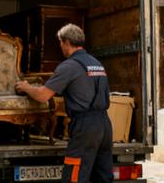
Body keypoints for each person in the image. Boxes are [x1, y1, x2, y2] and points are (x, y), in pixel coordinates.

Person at [15, 24, 113, 183]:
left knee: (74, 177)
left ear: (67, 42)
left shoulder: (69, 66)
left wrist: (26, 87)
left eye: (60, 42)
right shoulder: (97, 63)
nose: (60, 46)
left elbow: (43, 96)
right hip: (104, 124)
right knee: (102, 176)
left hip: (85, 126)